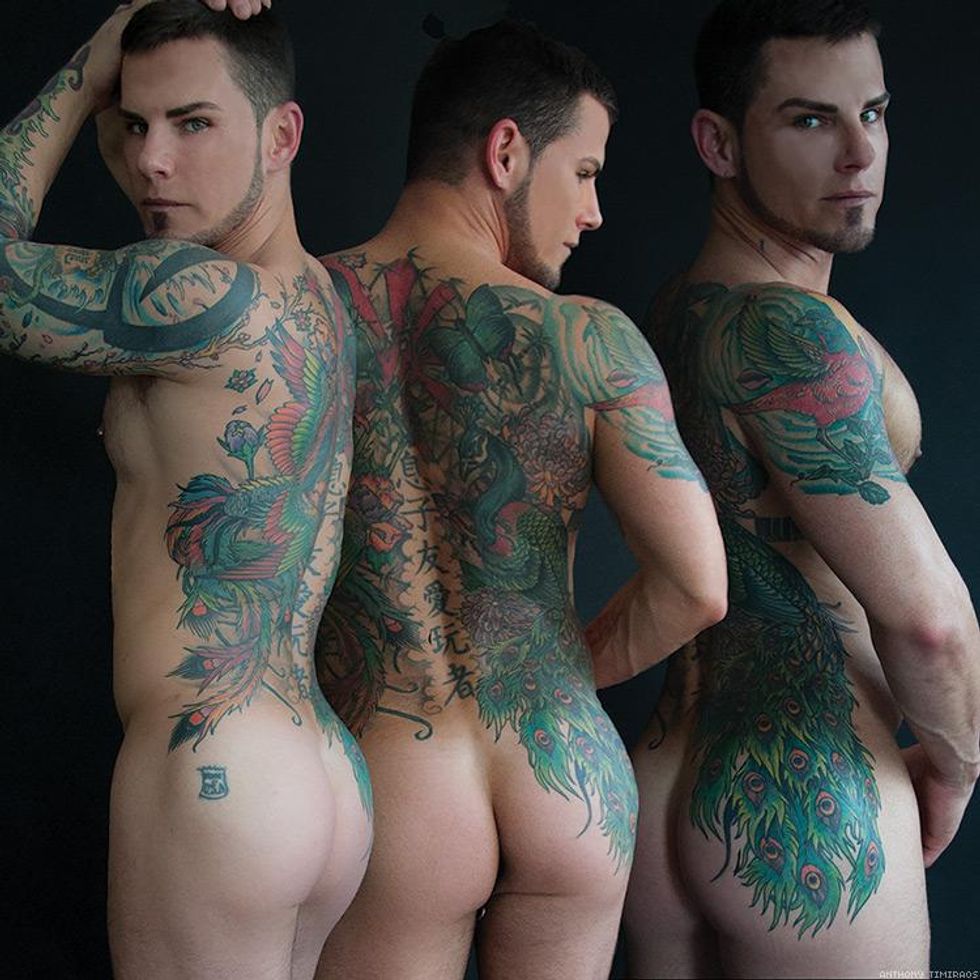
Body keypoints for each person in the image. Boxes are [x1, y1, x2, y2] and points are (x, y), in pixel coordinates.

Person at [312, 20, 727, 979]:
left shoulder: (299, 312)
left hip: (394, 782)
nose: (595, 212)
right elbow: (698, 585)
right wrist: (554, 674)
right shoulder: (590, 339)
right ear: (506, 152)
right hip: (565, 769)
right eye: (583, 173)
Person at [0, 2, 371, 976]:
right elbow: (157, 174)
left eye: (193, 123)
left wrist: (88, 70)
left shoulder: (197, 296)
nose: (152, 160)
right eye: (135, 124)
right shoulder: (321, 303)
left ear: (282, 136)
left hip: (215, 770)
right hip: (321, 775)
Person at [622, 1, 980, 976]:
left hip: (658, 787)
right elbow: (930, 623)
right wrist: (953, 768)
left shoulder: (675, 313)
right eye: (811, 119)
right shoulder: (786, 328)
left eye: (873, 112)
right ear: (718, 143)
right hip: (801, 790)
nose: (859, 153)